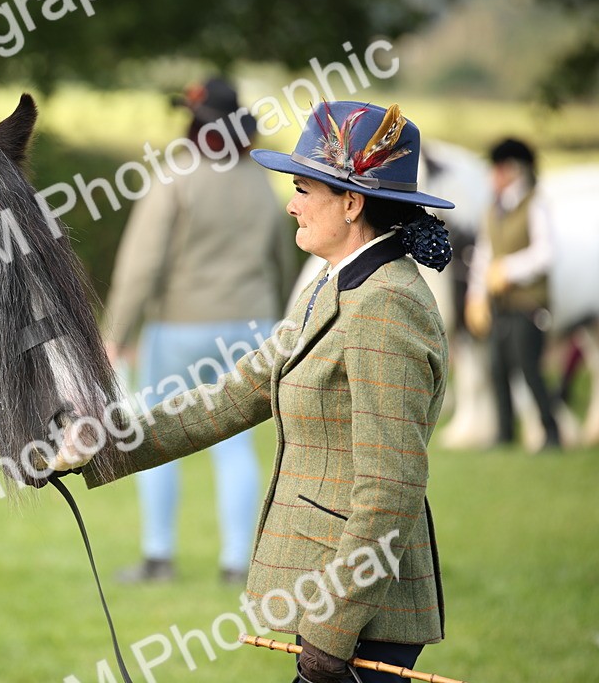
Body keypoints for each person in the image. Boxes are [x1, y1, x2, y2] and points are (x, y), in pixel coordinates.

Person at [57, 101, 454, 683]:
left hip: (363, 615)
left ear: (351, 202)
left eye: (302, 189)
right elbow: (231, 396)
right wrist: (102, 440)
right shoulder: (334, 284)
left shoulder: (385, 304)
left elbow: (389, 490)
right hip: (334, 599)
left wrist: (331, 629)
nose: (290, 204)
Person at [103, 77, 294, 584]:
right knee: (235, 447)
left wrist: (118, 330)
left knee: (158, 438)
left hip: (180, 328)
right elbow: (283, 258)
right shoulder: (263, 181)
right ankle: (236, 563)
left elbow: (141, 265)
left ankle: (158, 557)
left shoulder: (176, 178)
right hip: (253, 328)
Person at [464, 138, 561, 450]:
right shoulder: (494, 209)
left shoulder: (535, 204)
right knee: (497, 368)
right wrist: (475, 296)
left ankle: (551, 433)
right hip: (499, 304)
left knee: (530, 370)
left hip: (527, 304)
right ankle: (505, 435)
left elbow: (546, 252)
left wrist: (509, 269)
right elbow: (483, 256)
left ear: (511, 170)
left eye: (497, 169)